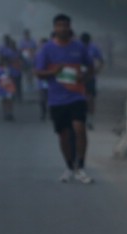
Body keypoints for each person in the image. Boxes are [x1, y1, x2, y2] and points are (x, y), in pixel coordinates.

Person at [35, 14, 95, 183]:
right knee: (64, 135)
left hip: (77, 95)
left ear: (70, 27)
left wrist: (85, 77)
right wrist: (52, 73)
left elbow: (90, 67)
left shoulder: (79, 47)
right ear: (54, 28)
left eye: (65, 25)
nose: (62, 28)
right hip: (57, 99)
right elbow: (38, 73)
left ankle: (81, 166)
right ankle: (69, 166)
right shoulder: (47, 49)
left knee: (79, 129)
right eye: (59, 25)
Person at [79, 32, 104, 129]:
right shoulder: (76, 48)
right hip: (79, 77)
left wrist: (97, 71)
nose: (85, 45)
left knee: (91, 99)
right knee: (80, 99)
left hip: (90, 76)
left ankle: (90, 121)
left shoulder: (94, 48)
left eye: (86, 43)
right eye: (83, 43)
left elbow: (101, 61)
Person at [0, 34, 23, 102]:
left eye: (14, 44)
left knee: (18, 84)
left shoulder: (18, 51)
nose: (13, 45)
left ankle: (19, 96)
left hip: (17, 70)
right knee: (12, 83)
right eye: (12, 44)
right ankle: (13, 96)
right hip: (10, 70)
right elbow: (2, 59)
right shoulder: (6, 51)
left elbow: (21, 59)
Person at [0, 56, 17, 120]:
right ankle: (5, 113)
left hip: (9, 88)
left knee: (9, 101)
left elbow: (13, 77)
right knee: (4, 101)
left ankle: (10, 113)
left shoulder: (10, 70)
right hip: (2, 88)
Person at [18, 28, 37, 93]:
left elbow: (35, 49)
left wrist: (32, 52)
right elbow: (20, 50)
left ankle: (31, 84)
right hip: (24, 60)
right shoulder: (22, 42)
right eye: (25, 34)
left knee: (31, 73)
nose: (27, 35)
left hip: (31, 59)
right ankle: (28, 84)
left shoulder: (32, 41)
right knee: (27, 73)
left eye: (28, 34)